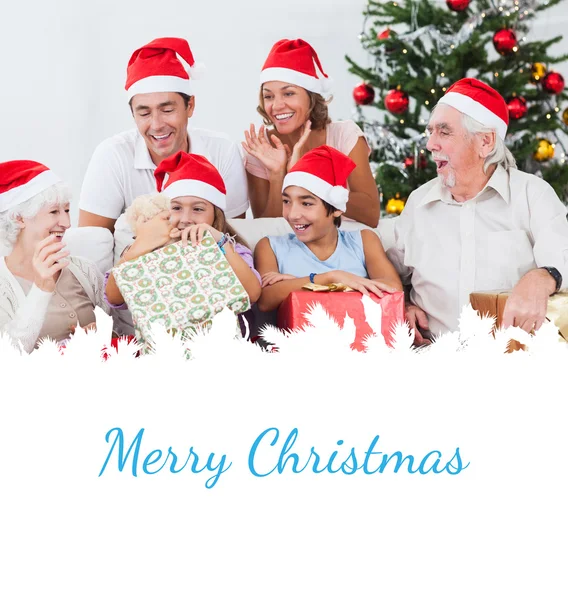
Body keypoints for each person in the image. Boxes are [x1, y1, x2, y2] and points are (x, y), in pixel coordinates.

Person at [386, 78, 568, 344]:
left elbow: (562, 254)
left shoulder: (532, 194)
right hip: (431, 362)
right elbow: (385, 269)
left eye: (444, 132)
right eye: (431, 132)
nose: (430, 144)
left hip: (513, 365)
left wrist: (542, 277)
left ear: (485, 142)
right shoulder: (418, 203)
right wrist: (400, 304)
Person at [79, 37, 249, 236]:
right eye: (144, 113)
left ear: (190, 106)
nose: (157, 125)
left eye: (167, 110)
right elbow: (91, 243)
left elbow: (233, 237)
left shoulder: (222, 151)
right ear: (132, 114)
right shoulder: (112, 155)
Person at [105, 152, 261, 320]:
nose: (186, 219)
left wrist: (221, 242)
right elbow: (114, 298)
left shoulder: (230, 249)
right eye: (177, 208)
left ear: (216, 215)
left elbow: (251, 294)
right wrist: (142, 244)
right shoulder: (146, 251)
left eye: (198, 209)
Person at [242, 38, 380, 228]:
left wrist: (307, 175)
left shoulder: (344, 136)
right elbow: (267, 230)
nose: (277, 105)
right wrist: (277, 175)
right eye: (268, 96)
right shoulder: (261, 149)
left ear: (311, 97)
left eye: (288, 93)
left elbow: (371, 214)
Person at [254, 145, 401, 312]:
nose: (293, 214)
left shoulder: (364, 240)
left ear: (337, 208)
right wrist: (331, 277)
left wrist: (297, 283)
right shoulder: (270, 246)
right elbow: (266, 300)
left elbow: (393, 288)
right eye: (286, 201)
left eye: (306, 203)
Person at [0, 160, 108, 353]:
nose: (66, 223)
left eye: (67, 210)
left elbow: (117, 333)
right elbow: (7, 356)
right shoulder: (4, 286)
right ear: (19, 218)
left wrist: (103, 334)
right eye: (54, 212)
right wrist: (41, 289)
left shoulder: (85, 270)